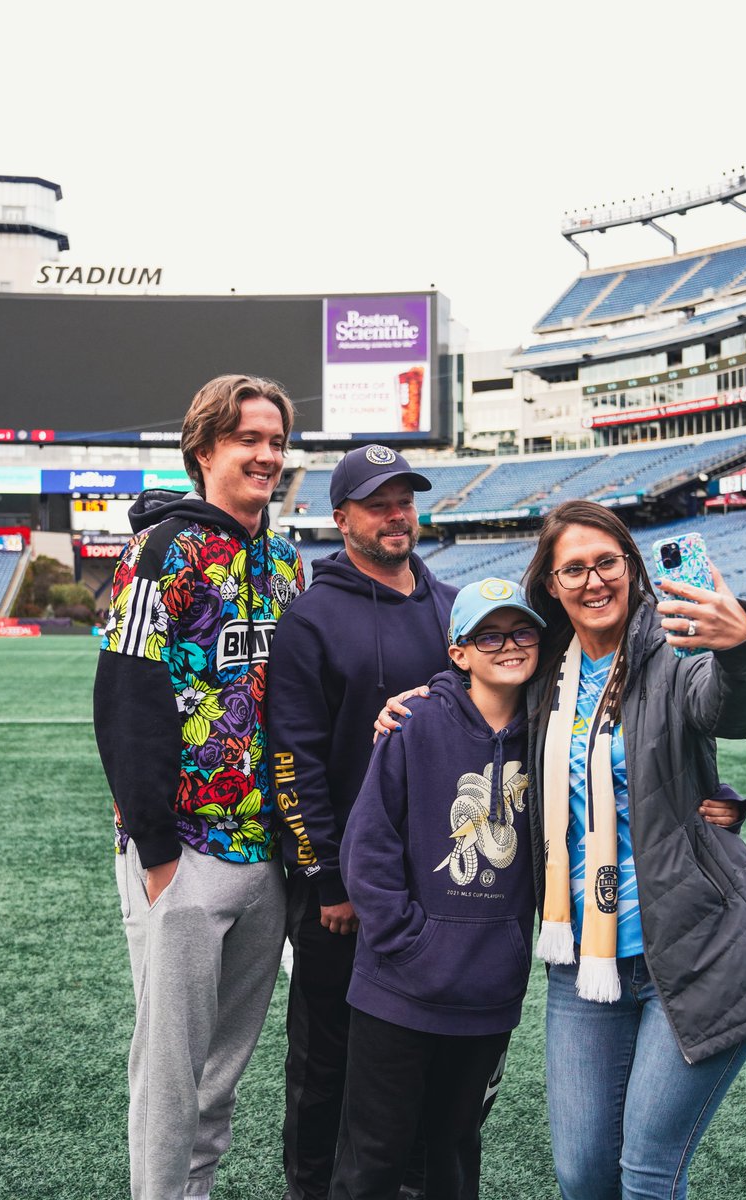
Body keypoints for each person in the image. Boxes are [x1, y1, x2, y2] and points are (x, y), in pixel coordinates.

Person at [522, 500, 746, 1200]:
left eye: (607, 563)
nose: (593, 581)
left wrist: (743, 645)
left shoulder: (673, 651)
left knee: (648, 1175)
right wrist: (403, 707)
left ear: (633, 567)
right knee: (583, 1175)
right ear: (551, 584)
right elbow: (472, 705)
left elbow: (730, 710)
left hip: (694, 947)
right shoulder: (538, 672)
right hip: (583, 960)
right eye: (574, 569)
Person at [93, 374, 305, 1200]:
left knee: (220, 1079)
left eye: (277, 441)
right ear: (205, 449)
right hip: (183, 851)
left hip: (266, 857)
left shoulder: (286, 560)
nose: (266, 455)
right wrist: (155, 855)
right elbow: (125, 695)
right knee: (171, 1077)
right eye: (248, 438)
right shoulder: (161, 553)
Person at [268, 444, 456, 1200]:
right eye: (377, 502)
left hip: (441, 890)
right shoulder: (310, 619)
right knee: (326, 1067)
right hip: (345, 900)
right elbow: (293, 760)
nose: (395, 513)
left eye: (404, 498)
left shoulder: (452, 609)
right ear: (340, 517)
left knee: (426, 1064)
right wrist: (330, 881)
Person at [328, 579, 545, 1200]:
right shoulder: (414, 722)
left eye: (522, 630)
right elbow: (367, 848)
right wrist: (408, 943)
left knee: (451, 1159)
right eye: (489, 635)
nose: (509, 646)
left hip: (487, 993)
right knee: (372, 1161)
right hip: (399, 988)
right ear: (459, 652)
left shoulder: (552, 735)